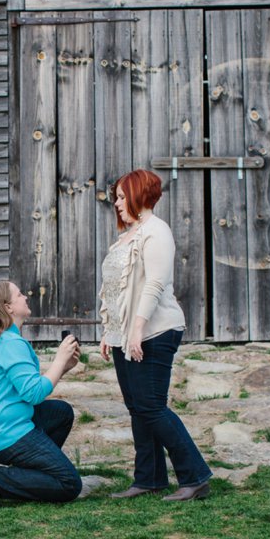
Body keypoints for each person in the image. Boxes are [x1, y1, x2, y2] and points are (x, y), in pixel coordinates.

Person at [99, 168, 212, 502]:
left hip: (155, 330)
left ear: (138, 195)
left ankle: (195, 475)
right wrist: (111, 330)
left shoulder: (156, 231)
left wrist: (136, 330)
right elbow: (115, 288)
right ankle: (148, 478)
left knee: (151, 406)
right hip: (126, 335)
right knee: (137, 407)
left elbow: (154, 283)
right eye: (116, 197)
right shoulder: (128, 236)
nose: (117, 204)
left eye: (121, 197)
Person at [0, 280, 82, 508]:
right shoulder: (10, 343)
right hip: (2, 431)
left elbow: (26, 390)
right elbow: (34, 394)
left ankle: (31, 473)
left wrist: (64, 367)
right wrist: (58, 360)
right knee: (68, 483)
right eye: (19, 295)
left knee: (61, 412)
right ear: (8, 307)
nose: (25, 297)